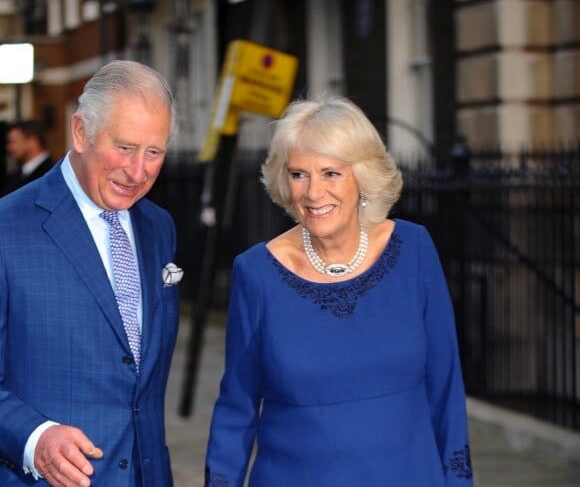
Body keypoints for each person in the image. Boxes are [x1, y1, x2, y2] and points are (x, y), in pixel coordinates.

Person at [205, 95, 473, 486]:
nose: (314, 193)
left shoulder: (414, 250)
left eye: (331, 173)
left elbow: (446, 390)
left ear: (362, 177)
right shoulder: (256, 273)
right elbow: (237, 408)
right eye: (299, 174)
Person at [0, 60, 182, 486]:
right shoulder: (6, 229)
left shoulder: (159, 227)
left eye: (153, 152)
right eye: (124, 147)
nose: (138, 172)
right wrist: (34, 437)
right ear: (80, 132)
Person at [3, 119, 54, 195]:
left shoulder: (51, 174)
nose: (9, 147)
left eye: (13, 142)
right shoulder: (16, 175)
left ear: (32, 141)